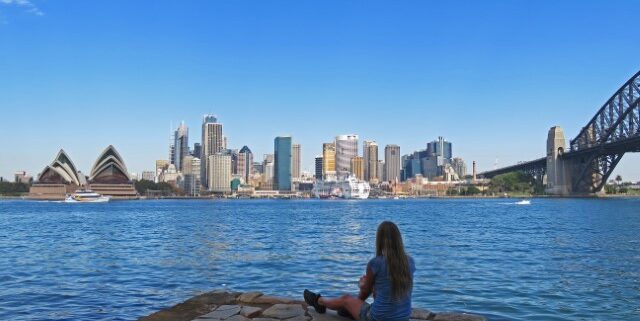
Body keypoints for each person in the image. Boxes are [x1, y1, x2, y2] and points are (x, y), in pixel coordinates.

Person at [304, 221, 416, 321]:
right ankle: (347, 310)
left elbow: (365, 293)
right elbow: (384, 292)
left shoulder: (376, 263)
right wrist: (372, 286)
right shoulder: (410, 262)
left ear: (379, 240)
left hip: (377, 318)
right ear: (398, 239)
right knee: (354, 302)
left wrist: (363, 285)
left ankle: (319, 301)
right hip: (403, 318)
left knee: (346, 299)